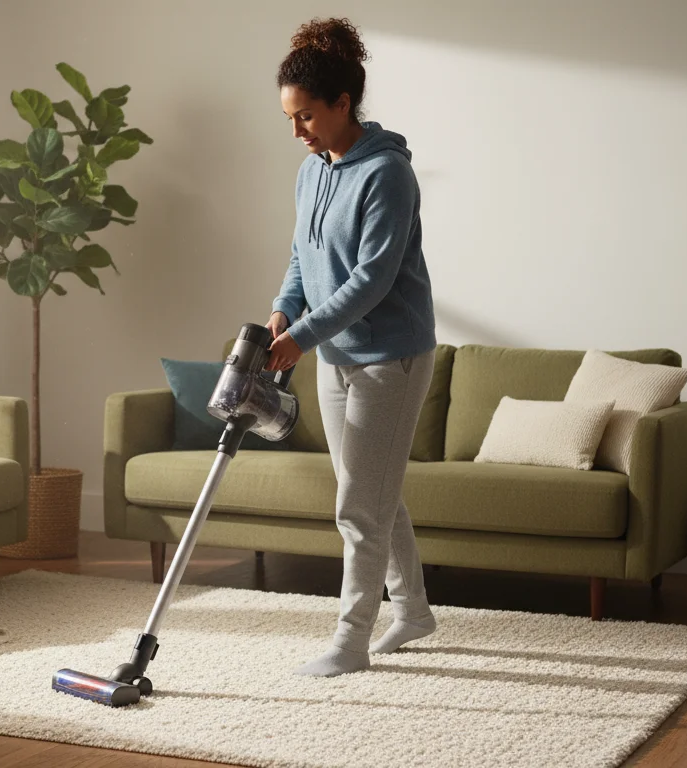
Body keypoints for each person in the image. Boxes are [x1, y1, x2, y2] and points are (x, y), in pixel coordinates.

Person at [266, 17, 438, 677]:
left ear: (343, 104)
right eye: (290, 118)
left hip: (388, 358)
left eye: (307, 116)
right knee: (368, 490)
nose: (298, 131)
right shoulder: (314, 172)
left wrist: (302, 337)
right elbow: (302, 255)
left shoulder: (387, 174)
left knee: (357, 506)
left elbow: (373, 278)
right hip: (336, 358)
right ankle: (414, 609)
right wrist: (287, 309)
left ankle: (350, 643)